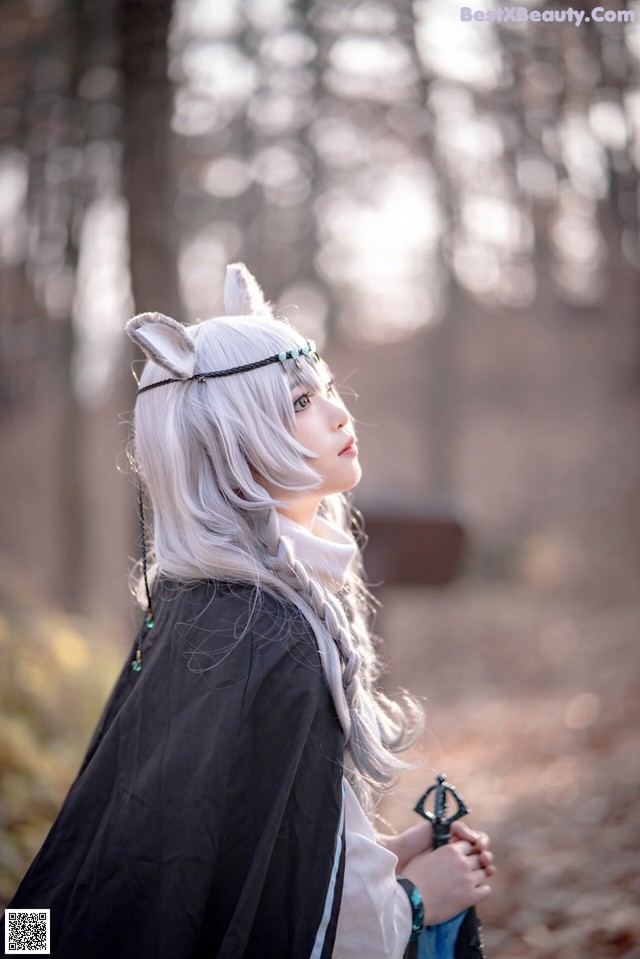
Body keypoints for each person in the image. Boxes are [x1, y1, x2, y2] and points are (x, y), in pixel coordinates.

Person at [1, 264, 494, 958]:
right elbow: (273, 922)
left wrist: (384, 854)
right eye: (297, 402)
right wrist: (417, 903)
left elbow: (250, 845)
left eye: (321, 390)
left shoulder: (219, 605)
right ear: (230, 437)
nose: (337, 412)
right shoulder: (263, 630)